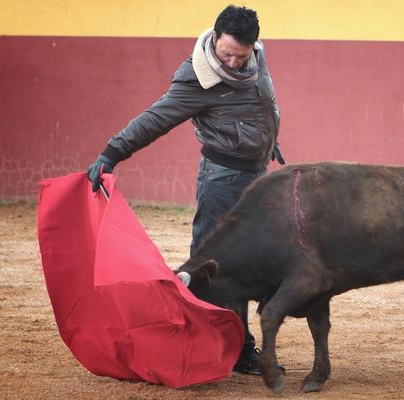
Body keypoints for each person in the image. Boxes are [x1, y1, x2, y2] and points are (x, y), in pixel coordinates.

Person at [87, 5, 284, 375]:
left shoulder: (256, 56)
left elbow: (262, 105)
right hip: (223, 181)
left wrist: (268, 141)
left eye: (241, 56)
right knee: (214, 265)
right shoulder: (197, 77)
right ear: (214, 38)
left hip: (258, 176)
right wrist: (112, 153)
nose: (233, 62)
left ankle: (234, 347)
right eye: (227, 54)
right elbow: (154, 119)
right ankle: (221, 347)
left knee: (250, 261)